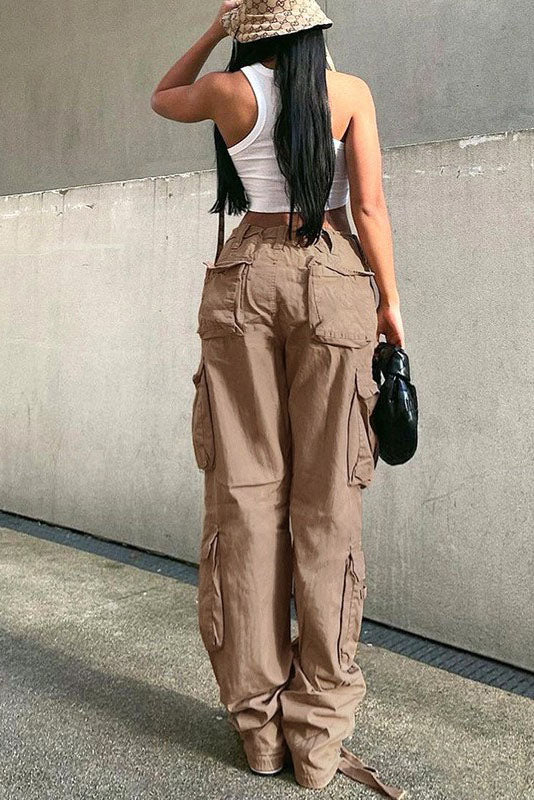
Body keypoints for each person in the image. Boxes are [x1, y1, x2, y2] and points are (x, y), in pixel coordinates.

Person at [151, 1, 405, 796]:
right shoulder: (348, 93)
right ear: (313, 32)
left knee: (246, 498)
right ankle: (318, 746)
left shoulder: (229, 92)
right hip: (331, 272)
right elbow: (366, 209)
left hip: (245, 275)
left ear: (254, 31)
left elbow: (163, 95)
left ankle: (259, 733)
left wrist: (212, 31)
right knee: (328, 505)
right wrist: (391, 306)